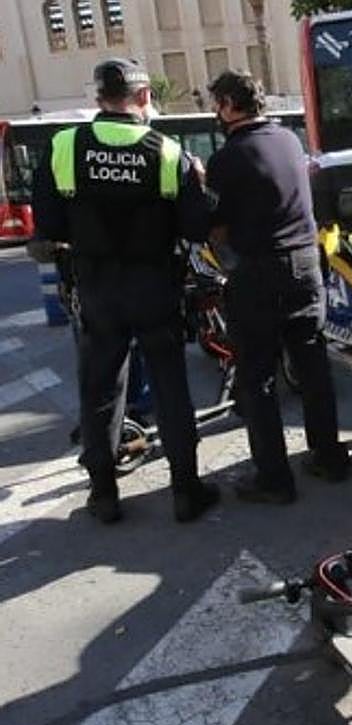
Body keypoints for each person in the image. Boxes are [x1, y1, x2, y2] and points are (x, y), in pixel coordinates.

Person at [31, 58, 219, 524]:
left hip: (97, 288)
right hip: (155, 286)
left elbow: (48, 227)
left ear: (98, 99)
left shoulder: (64, 146)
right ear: (144, 97)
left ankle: (103, 494)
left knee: (100, 389)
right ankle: (185, 490)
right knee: (171, 385)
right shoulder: (169, 151)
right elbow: (197, 228)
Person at [205, 69, 349, 505]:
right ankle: (329, 456)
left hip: (259, 272)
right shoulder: (290, 140)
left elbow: (216, 230)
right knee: (313, 368)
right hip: (306, 265)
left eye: (217, 103)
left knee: (258, 377)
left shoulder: (226, 158)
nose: (215, 111)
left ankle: (274, 478)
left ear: (230, 104)